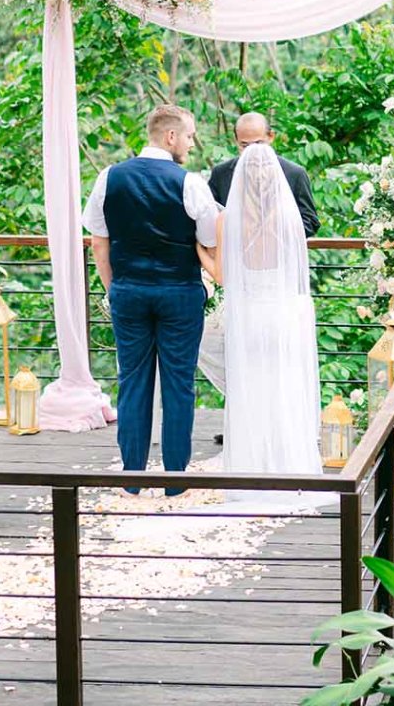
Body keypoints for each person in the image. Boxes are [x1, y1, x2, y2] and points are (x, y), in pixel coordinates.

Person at [83, 104, 221, 495]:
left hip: (128, 290)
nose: (192, 144)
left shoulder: (109, 177)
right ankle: (175, 481)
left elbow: (98, 241)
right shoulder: (190, 182)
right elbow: (210, 239)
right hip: (179, 292)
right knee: (179, 383)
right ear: (171, 136)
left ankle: (132, 478)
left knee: (132, 381)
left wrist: (114, 288)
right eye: (190, 136)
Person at [201, 142, 325, 503]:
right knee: (283, 388)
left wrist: (198, 252)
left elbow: (222, 276)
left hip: (251, 315)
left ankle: (253, 467)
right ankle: (288, 465)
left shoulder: (229, 220)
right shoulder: (288, 219)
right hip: (285, 314)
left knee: (251, 390)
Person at [207, 113, 318, 237]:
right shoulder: (221, 173)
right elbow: (210, 218)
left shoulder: (295, 174)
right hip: (235, 254)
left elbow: (311, 222)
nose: (252, 151)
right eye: (245, 145)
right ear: (236, 141)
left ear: (271, 137)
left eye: (258, 143)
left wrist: (273, 234)